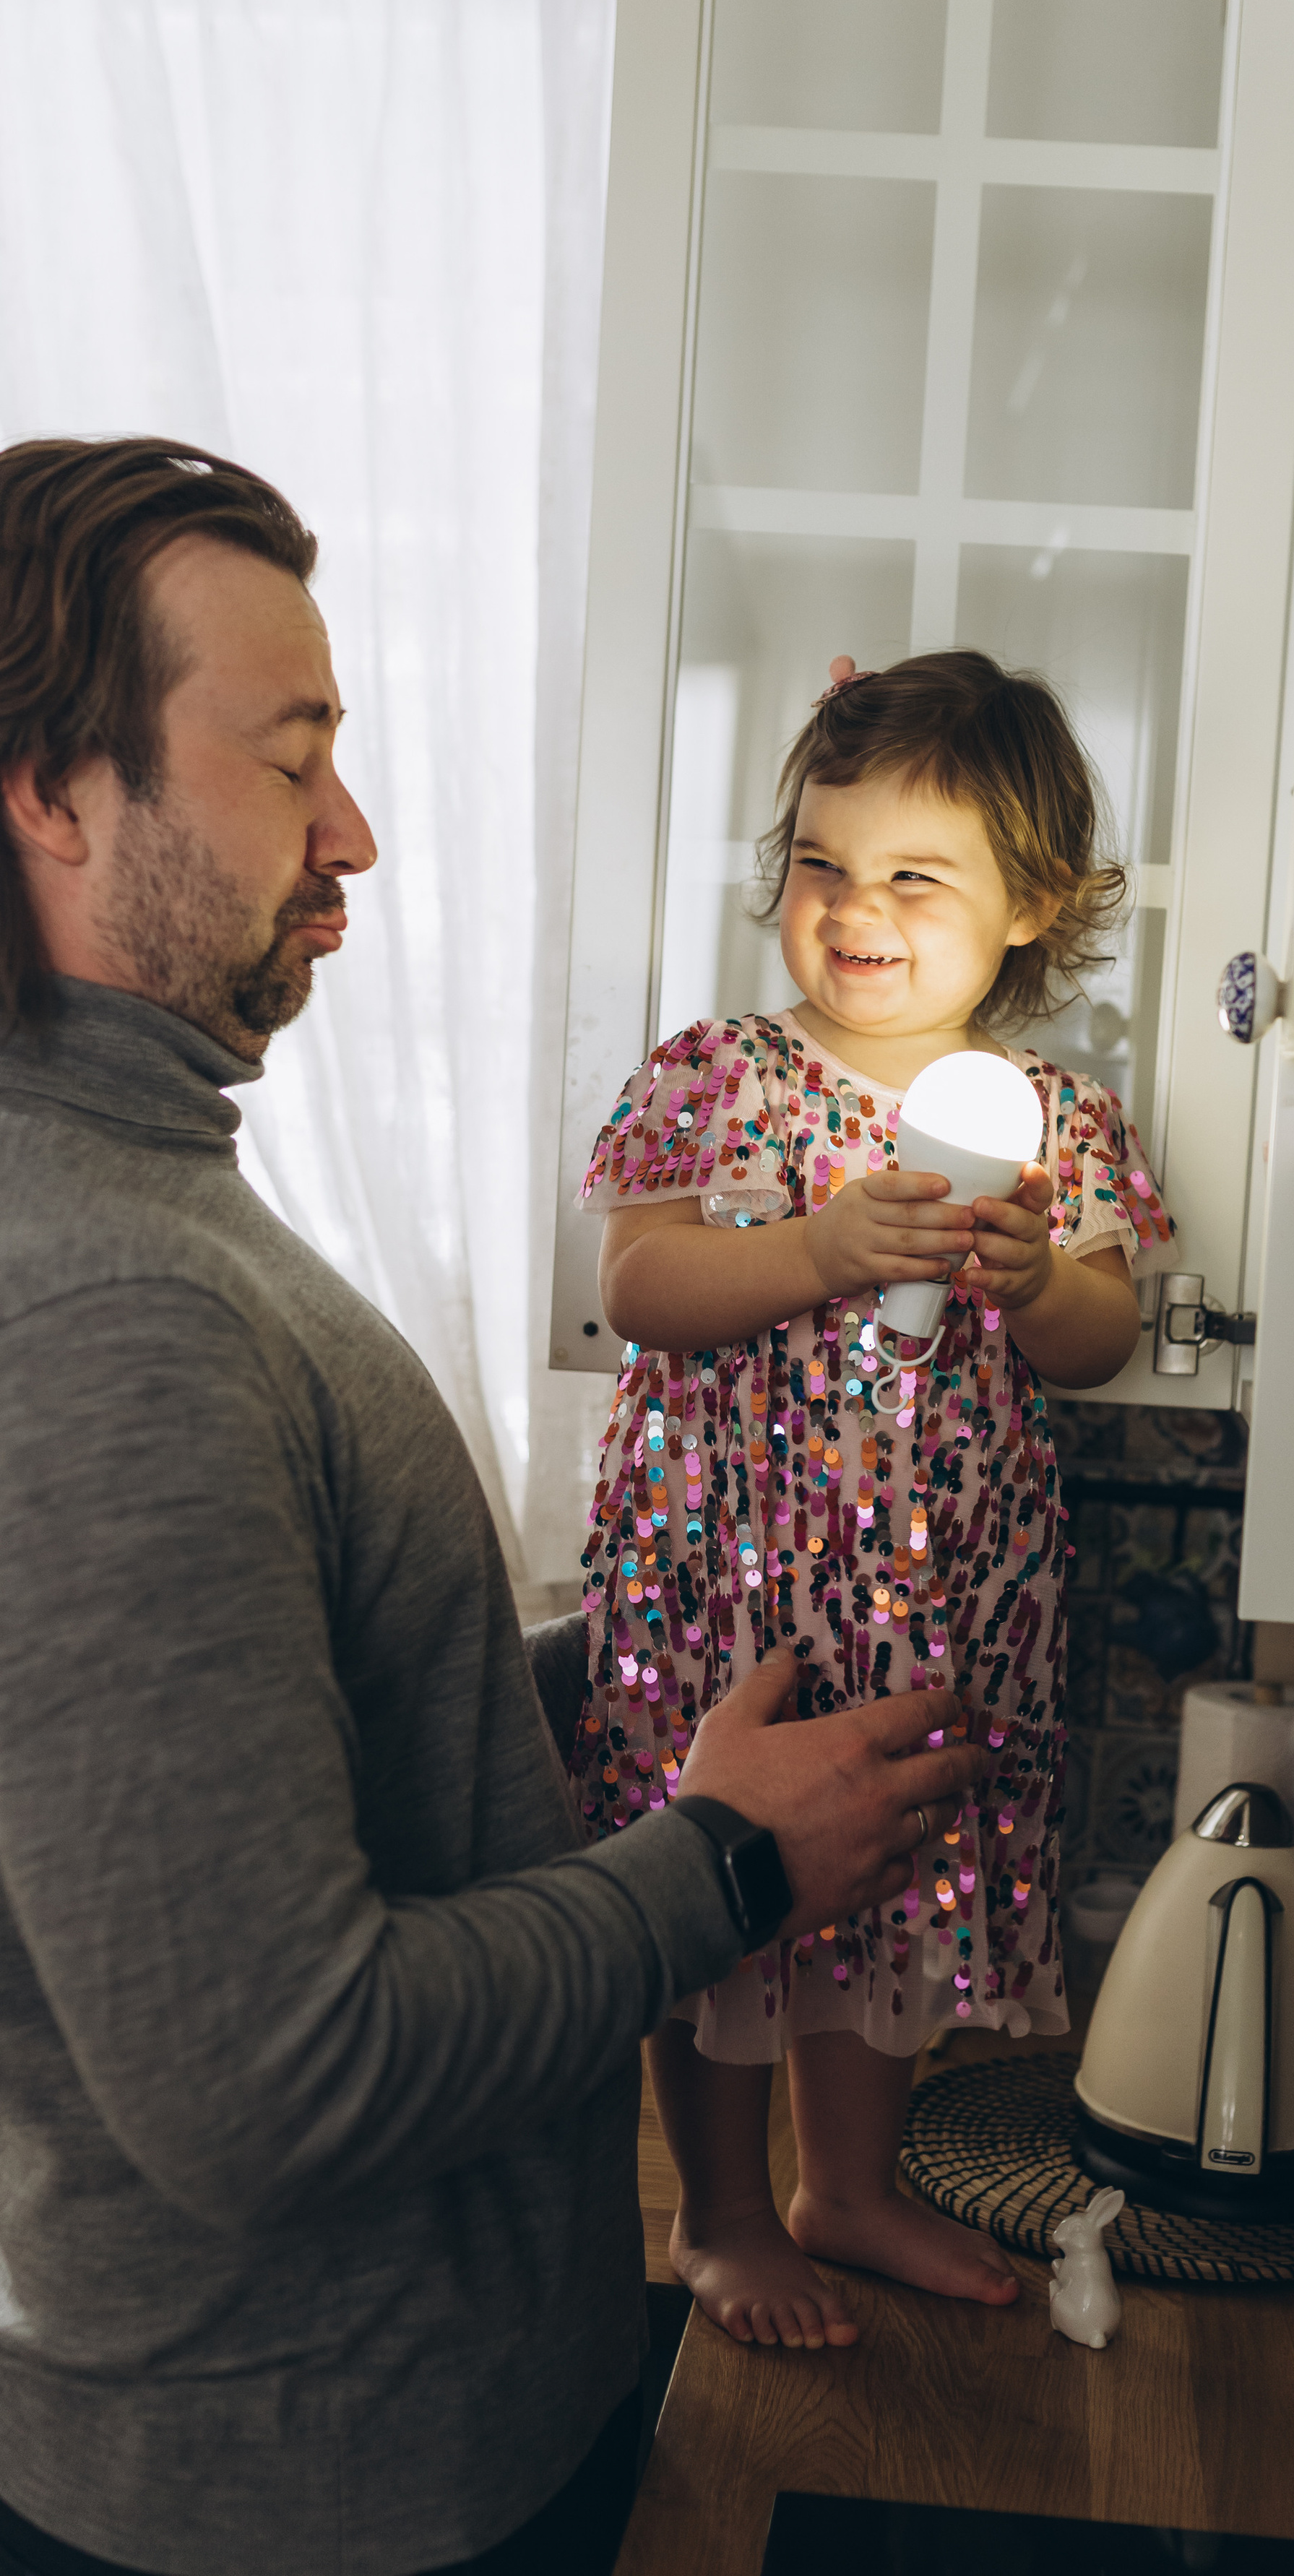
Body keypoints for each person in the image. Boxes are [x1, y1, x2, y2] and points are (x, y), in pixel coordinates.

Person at [0, 438, 978, 2576]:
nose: (356, 834)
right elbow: (276, 2081)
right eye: (290, 761)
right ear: (53, 794)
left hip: (393, 2439)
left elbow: (265, 1718)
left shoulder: (144, 1203)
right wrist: (725, 1861)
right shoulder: (104, 1308)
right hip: (308, 2495)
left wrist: (580, 1681)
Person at [573, 649, 1174, 2350]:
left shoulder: (1052, 1121)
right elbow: (642, 1286)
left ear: (1029, 902)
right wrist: (819, 1249)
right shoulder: (719, 1070)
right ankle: (720, 2211)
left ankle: (847, 2184)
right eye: (822, 865)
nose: (854, 911)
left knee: (886, 1878)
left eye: (913, 878)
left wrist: (1033, 1275)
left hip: (933, 1590)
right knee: (720, 1885)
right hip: (721, 1591)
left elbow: (1097, 1343)